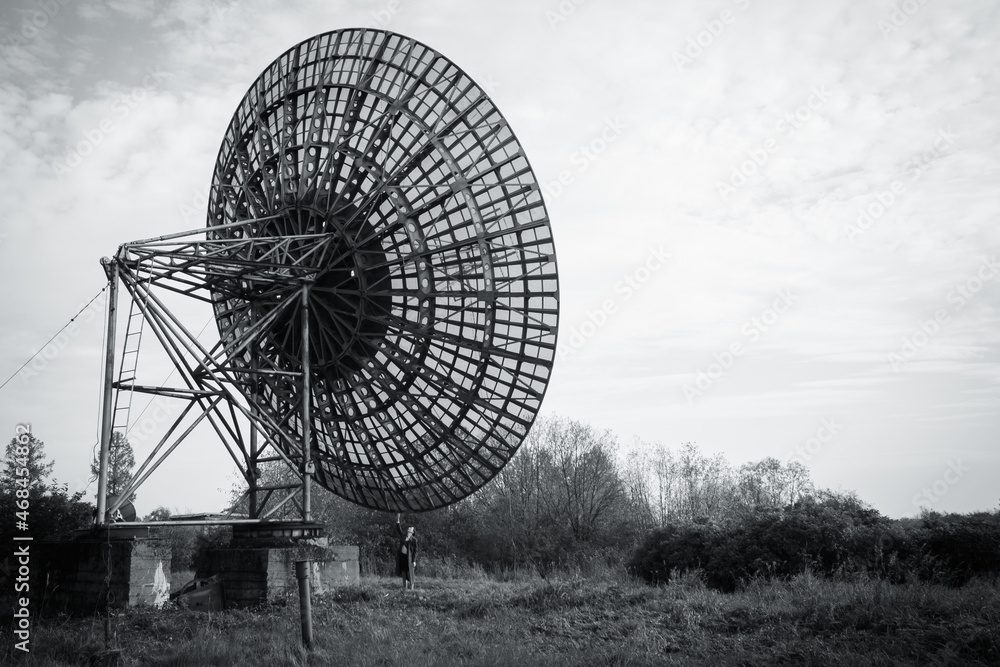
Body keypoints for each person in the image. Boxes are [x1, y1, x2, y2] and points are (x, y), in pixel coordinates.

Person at [395, 513, 417, 590]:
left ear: (413, 532)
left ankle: (412, 588)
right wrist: (398, 519)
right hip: (402, 557)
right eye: (409, 528)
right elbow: (398, 529)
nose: (409, 528)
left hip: (409, 559)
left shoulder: (414, 540)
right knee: (403, 572)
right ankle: (405, 587)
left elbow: (415, 551)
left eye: (411, 528)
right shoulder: (404, 536)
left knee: (409, 573)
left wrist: (414, 561)